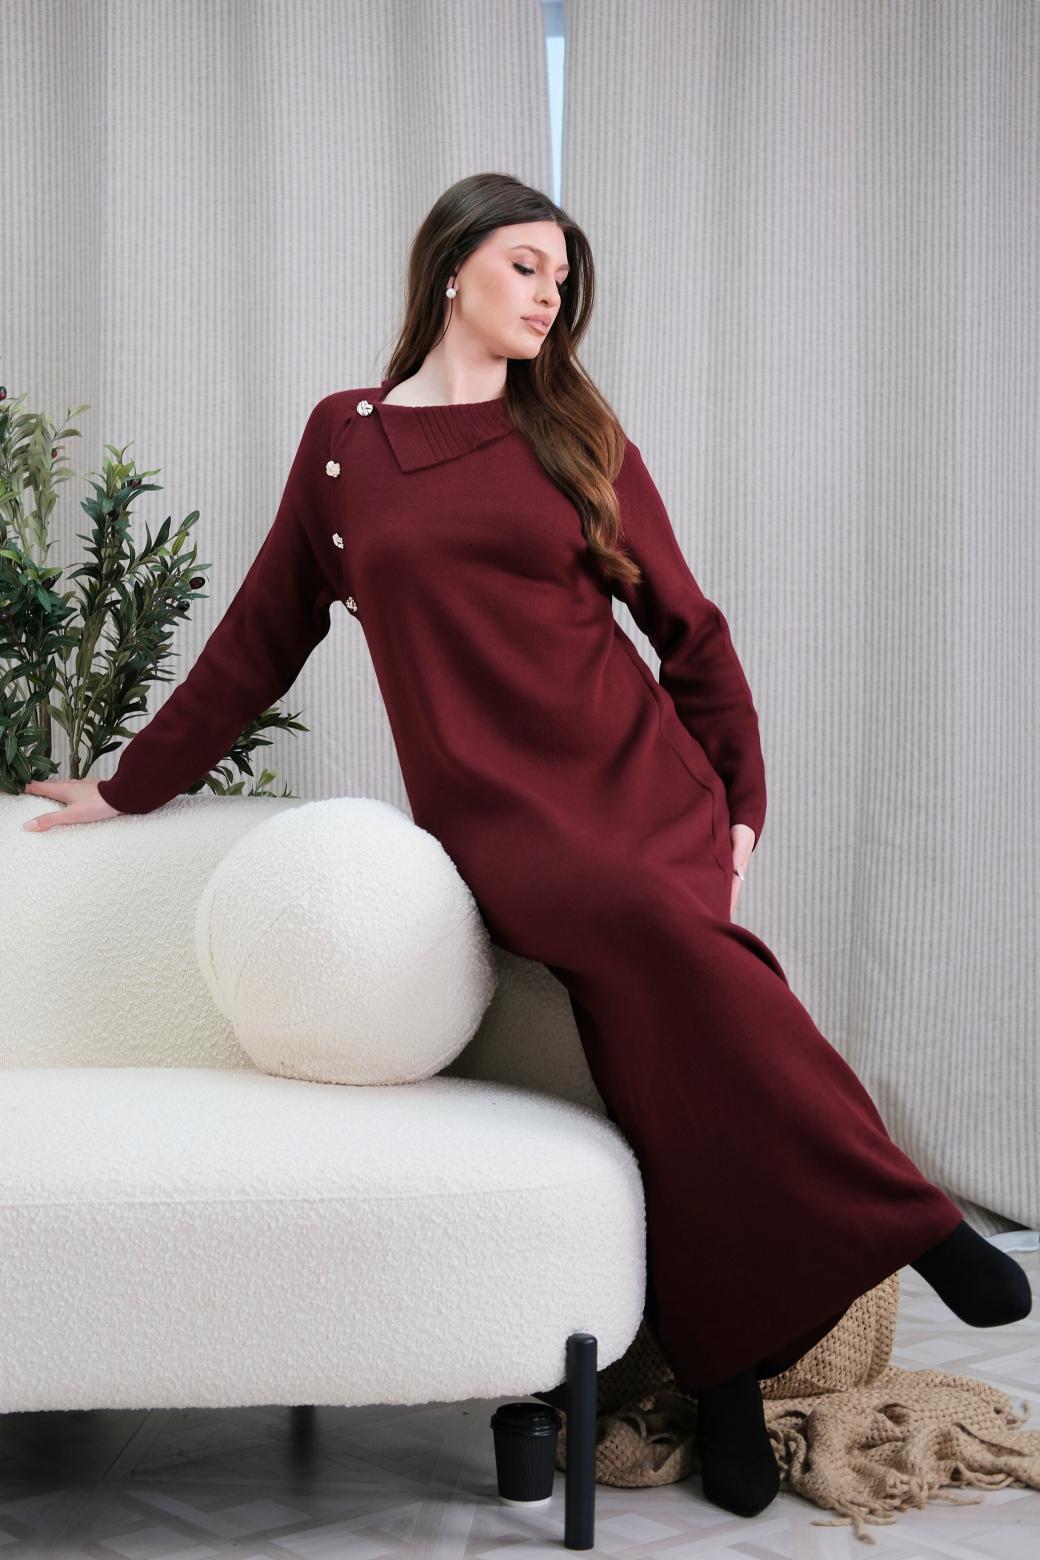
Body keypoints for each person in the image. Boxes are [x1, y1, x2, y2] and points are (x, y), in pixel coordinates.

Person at [22, 173, 1031, 1519]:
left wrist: (740, 804)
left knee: (655, 1057)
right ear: (452, 268)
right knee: (656, 965)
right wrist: (133, 786)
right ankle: (905, 1213)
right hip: (506, 821)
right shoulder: (346, 444)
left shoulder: (576, 438)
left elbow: (689, 630)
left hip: (642, 788)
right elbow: (261, 638)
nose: (550, 294)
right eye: (525, 265)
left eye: (563, 277)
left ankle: (727, 1376)